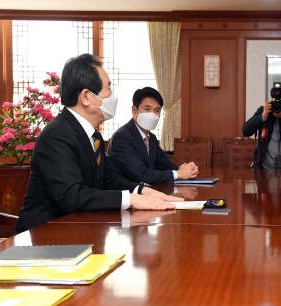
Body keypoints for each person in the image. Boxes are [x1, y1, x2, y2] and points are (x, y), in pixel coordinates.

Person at [16, 54, 181, 233]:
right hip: (44, 238)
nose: (113, 96)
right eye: (108, 89)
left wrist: (142, 190)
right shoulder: (57, 136)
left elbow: (108, 179)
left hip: (80, 231)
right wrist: (132, 199)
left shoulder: (93, 135)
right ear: (86, 97)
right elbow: (71, 195)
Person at [107, 87, 198, 184]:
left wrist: (187, 170)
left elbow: (165, 165)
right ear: (134, 110)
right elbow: (141, 175)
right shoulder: (121, 138)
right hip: (128, 195)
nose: (152, 114)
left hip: (148, 192)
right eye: (147, 109)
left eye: (157, 110)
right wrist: (178, 173)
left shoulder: (151, 138)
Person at [242, 82, 281, 169]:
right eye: (278, 102)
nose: (280, 105)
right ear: (272, 101)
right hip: (263, 168)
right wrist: (263, 116)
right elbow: (245, 131)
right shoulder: (263, 111)